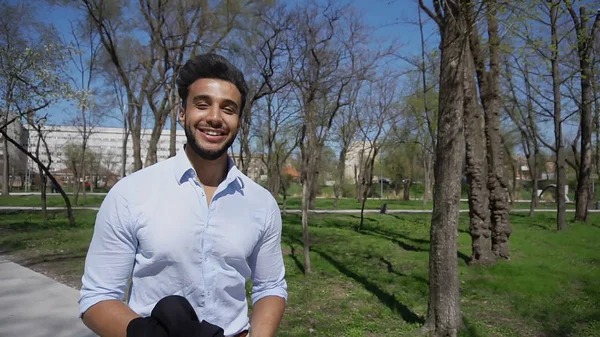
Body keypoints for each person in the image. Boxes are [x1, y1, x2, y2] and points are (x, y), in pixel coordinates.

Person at [78, 53, 287, 337]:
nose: (214, 117)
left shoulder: (261, 203)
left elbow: (270, 286)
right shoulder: (130, 193)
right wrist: (144, 334)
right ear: (181, 113)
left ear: (239, 121)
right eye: (202, 105)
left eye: (228, 109)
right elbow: (97, 296)